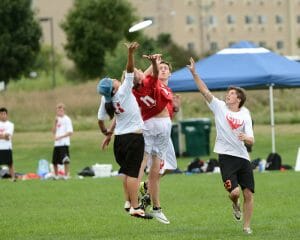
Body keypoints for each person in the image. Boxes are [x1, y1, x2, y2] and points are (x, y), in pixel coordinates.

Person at [187, 57, 255, 234]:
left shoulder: (245, 114)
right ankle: (235, 205)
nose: (228, 95)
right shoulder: (219, 107)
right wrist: (194, 73)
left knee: (248, 193)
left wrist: (245, 137)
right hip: (226, 157)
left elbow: (252, 140)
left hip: (243, 157)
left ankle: (247, 226)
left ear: (238, 99)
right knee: (235, 193)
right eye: (228, 93)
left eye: (231, 94)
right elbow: (204, 91)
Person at [98, 42, 151, 219]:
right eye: (112, 81)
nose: (115, 79)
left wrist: (107, 133)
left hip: (119, 141)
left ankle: (128, 202)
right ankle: (135, 206)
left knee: (128, 173)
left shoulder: (107, 101)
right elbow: (129, 70)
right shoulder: (124, 91)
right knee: (134, 175)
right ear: (113, 88)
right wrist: (130, 53)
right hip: (133, 138)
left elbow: (100, 120)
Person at [132, 56, 175, 224]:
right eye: (138, 72)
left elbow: (142, 74)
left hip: (155, 124)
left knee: (153, 170)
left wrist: (153, 63)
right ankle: (144, 201)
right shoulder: (149, 82)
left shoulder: (133, 90)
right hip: (156, 125)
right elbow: (152, 73)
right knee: (153, 168)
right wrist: (153, 63)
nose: (140, 72)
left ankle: (147, 199)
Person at [52, 103, 73, 179]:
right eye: (58, 109)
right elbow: (53, 131)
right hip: (57, 144)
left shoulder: (67, 119)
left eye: (61, 109)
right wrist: (55, 122)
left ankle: (66, 175)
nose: (60, 111)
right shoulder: (57, 119)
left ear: (64, 110)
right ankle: (56, 175)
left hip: (64, 143)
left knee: (65, 160)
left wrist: (60, 137)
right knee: (54, 161)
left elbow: (70, 132)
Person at [0, 107, 16, 181]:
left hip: (7, 147)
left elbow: (9, 136)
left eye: (4, 114)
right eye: (1, 114)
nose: (3, 115)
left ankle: (13, 178)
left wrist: (2, 136)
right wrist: (4, 136)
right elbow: (5, 136)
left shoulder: (10, 124)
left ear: (7, 115)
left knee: (10, 163)